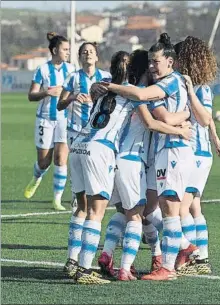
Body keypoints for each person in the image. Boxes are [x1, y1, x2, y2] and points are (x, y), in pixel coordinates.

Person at [100, 33, 211, 281]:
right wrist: (182, 120)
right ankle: (179, 251)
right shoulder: (173, 82)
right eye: (149, 62)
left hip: (170, 151)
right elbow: (170, 117)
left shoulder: (169, 83)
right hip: (159, 153)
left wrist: (108, 85)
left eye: (156, 61)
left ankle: (166, 266)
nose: (152, 66)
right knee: (151, 210)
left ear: (170, 62)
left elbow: (151, 110)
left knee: (167, 208)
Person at [64, 50, 138, 285]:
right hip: (100, 149)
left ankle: (72, 261)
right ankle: (85, 270)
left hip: (78, 144)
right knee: (96, 212)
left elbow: (97, 90)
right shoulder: (132, 94)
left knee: (81, 208)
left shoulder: (102, 85)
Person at [173, 36, 220, 275]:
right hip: (197, 151)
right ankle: (202, 259)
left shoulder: (200, 88)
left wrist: (189, 92)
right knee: (195, 207)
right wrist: (216, 139)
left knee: (181, 209)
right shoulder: (189, 85)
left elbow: (205, 119)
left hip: (196, 154)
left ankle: (190, 257)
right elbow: (208, 124)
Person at [24, 32, 75, 211]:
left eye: (69, 49)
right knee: (44, 162)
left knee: (61, 159)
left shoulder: (71, 69)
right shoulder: (42, 70)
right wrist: (47, 92)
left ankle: (57, 200)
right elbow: (31, 95)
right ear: (55, 50)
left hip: (64, 119)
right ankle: (37, 177)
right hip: (45, 119)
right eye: (65, 49)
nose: (68, 52)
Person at [57, 42, 111, 210]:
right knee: (78, 169)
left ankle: (96, 202)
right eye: (84, 52)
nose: (88, 54)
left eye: (91, 52)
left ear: (96, 57)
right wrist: (73, 97)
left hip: (98, 131)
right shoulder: (73, 78)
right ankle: (78, 203)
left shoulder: (106, 77)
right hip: (76, 130)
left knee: (96, 168)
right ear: (80, 57)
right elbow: (60, 105)